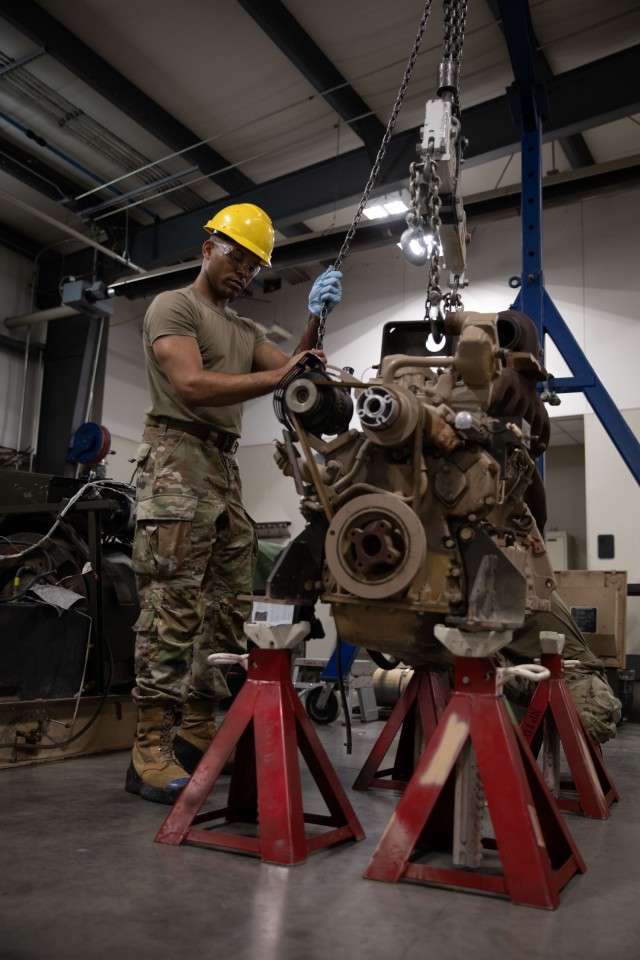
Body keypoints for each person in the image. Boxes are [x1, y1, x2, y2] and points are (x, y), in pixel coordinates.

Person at [125, 202, 343, 804]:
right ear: (208, 248)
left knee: (225, 607)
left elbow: (298, 372)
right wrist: (281, 376)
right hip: (175, 460)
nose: (243, 270)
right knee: (172, 608)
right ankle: (148, 748)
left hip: (222, 468)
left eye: (254, 264)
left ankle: (195, 732)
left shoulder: (245, 332)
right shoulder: (175, 307)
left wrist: (315, 321)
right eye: (236, 256)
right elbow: (192, 386)